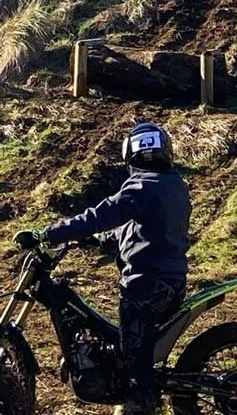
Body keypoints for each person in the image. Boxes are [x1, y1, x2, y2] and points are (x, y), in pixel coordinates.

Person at [15, 122, 191, 415]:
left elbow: (101, 214)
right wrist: (95, 240)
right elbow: (137, 231)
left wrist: (47, 234)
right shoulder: (169, 185)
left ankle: (141, 400)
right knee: (124, 339)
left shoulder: (142, 187)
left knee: (133, 349)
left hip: (149, 285)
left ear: (130, 155)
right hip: (165, 281)